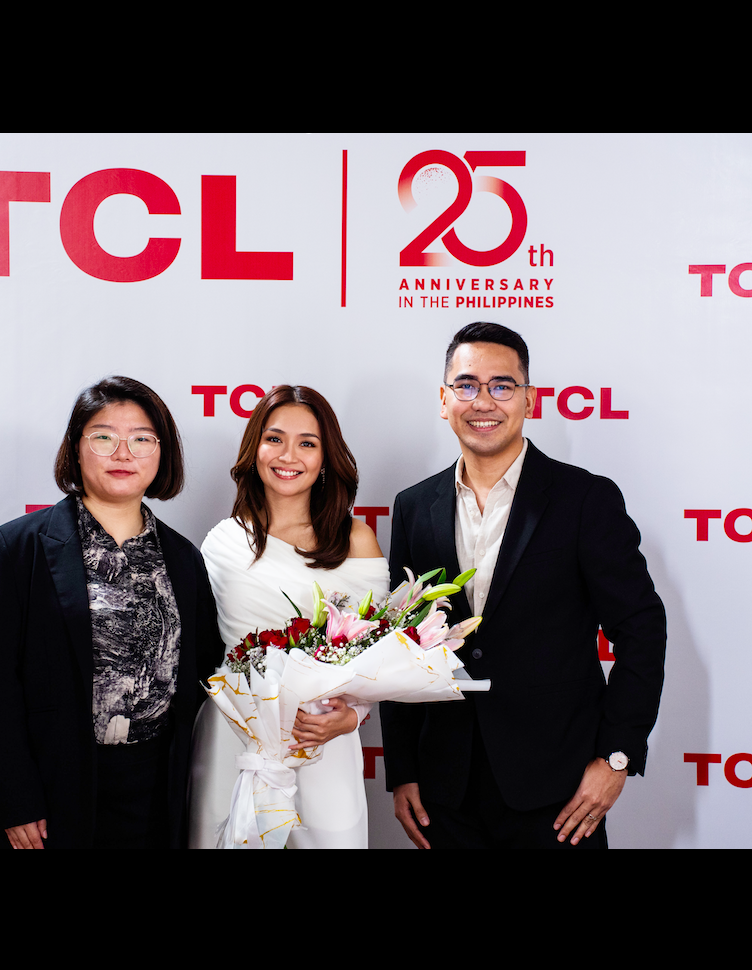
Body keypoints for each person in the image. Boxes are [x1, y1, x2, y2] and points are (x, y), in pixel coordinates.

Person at [381, 322, 666, 849]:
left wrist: (616, 757)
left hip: (559, 791)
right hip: (445, 790)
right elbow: (400, 645)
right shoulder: (414, 506)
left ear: (529, 400)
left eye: (502, 385)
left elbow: (642, 630)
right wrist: (402, 770)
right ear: (444, 401)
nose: (482, 401)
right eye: (466, 385)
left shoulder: (585, 499)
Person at [0, 377, 223, 849]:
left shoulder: (183, 558)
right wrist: (16, 799)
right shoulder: (20, 546)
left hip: (156, 794)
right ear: (76, 447)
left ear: (162, 453)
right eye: (104, 437)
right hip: (52, 791)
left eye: (142, 439)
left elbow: (204, 672)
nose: (123, 453)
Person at [189, 385, 387, 849]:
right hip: (234, 735)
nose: (288, 456)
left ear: (325, 457)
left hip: (320, 738)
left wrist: (352, 717)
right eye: (274, 438)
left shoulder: (355, 539)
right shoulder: (222, 542)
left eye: (307, 443)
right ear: (254, 449)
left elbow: (377, 653)